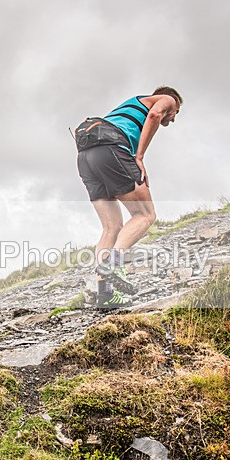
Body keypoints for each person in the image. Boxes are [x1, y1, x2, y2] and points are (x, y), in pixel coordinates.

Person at [74, 86, 182, 308]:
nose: (173, 118)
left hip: (85, 157)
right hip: (111, 150)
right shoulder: (167, 98)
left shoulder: (131, 104)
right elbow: (155, 114)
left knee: (111, 227)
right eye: (176, 113)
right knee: (145, 215)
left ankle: (105, 294)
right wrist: (139, 157)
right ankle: (114, 264)